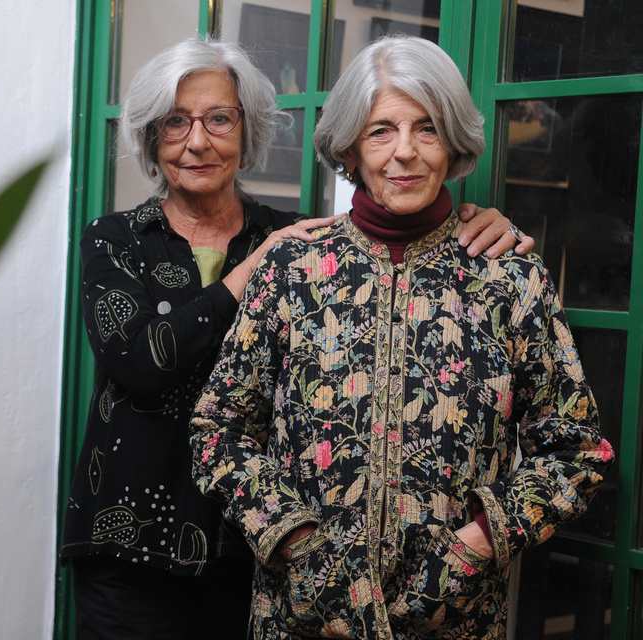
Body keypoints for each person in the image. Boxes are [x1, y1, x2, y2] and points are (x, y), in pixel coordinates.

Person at [61, 36, 532, 640]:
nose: (197, 140)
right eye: (175, 122)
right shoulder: (119, 239)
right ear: (151, 137)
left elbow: (395, 224)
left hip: (250, 552)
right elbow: (139, 363)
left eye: (219, 119)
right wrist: (250, 269)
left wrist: (478, 222)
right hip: (132, 545)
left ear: (247, 131)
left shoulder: (293, 240)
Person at [188, 35, 613, 639]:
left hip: (454, 623)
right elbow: (219, 430)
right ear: (351, 147)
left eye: (428, 128)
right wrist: (300, 547)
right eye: (381, 130)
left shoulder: (509, 278)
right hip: (304, 621)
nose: (405, 153)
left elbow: (576, 453)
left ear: (454, 142)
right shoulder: (292, 268)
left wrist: (475, 546)